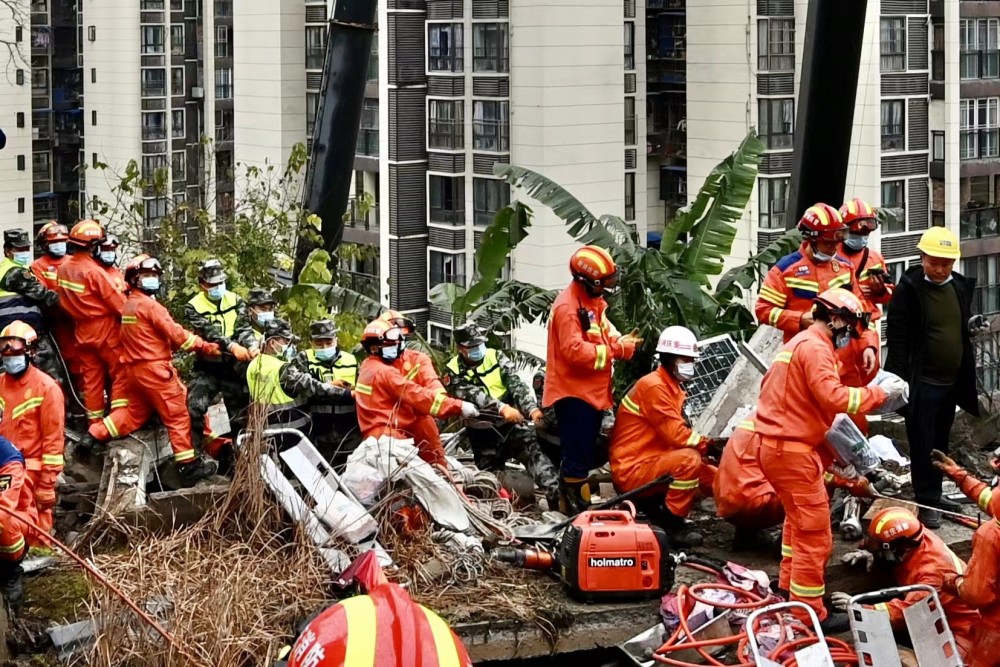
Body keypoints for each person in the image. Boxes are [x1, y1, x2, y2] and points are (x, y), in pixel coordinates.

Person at [755, 287, 895, 630]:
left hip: (777, 447)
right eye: (849, 326)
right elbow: (833, 397)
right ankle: (808, 613)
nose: (850, 335)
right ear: (835, 319)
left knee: (796, 525)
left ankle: (788, 590)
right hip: (791, 452)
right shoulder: (816, 348)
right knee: (815, 534)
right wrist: (880, 394)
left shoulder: (799, 344)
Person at [80, 255, 219, 483]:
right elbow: (176, 334)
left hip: (134, 372)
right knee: (177, 415)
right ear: (135, 279)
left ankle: (94, 435)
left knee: (132, 414)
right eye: (147, 276)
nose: (152, 279)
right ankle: (187, 465)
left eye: (154, 275)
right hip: (155, 370)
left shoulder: (129, 306)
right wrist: (205, 346)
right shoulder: (149, 306)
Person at [885, 226, 983, 528]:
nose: (939, 269)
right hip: (922, 382)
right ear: (922, 257)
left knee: (941, 440)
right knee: (922, 441)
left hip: (950, 381)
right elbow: (897, 336)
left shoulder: (958, 287)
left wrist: (969, 326)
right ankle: (925, 500)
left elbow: (954, 323)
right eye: (933, 262)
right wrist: (899, 383)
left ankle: (937, 493)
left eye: (946, 263)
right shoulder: (910, 290)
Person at [755, 203, 881, 431]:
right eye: (828, 242)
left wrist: (869, 346)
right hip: (809, 357)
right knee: (814, 422)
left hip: (846, 356)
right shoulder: (785, 270)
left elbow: (861, 312)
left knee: (855, 424)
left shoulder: (844, 267)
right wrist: (798, 319)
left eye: (837, 242)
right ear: (811, 238)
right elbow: (763, 309)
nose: (834, 248)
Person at [545, 245, 640, 513]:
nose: (608, 289)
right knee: (577, 458)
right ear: (585, 281)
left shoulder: (591, 302)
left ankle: (571, 504)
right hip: (573, 393)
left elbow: (602, 334)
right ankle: (577, 510)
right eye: (604, 284)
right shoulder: (567, 308)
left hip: (592, 393)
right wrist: (618, 350)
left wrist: (620, 341)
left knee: (584, 454)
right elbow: (575, 352)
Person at [608, 326, 718, 547]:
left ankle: (747, 528)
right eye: (684, 359)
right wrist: (710, 447)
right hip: (634, 469)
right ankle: (670, 525)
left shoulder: (673, 388)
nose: (689, 364)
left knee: (718, 478)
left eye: (691, 359)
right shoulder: (654, 387)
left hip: (654, 461)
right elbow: (677, 435)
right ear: (668, 359)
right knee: (689, 460)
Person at [834, 507, 979, 662]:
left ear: (897, 549)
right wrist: (871, 553)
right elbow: (884, 542)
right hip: (939, 612)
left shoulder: (932, 573)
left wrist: (858, 608)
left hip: (964, 633)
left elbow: (905, 614)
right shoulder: (915, 537)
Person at [714, 411, 874, 549]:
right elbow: (808, 472)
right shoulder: (800, 430)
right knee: (819, 487)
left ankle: (747, 536)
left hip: (728, 501)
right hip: (755, 504)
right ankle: (794, 544)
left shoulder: (772, 415)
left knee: (761, 474)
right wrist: (849, 483)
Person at [443, 322, 560, 509]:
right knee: (490, 485)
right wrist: (503, 409)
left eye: (479, 344)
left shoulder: (496, 356)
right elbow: (473, 395)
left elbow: (516, 384)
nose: (477, 349)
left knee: (538, 459)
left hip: (511, 428)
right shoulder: (452, 372)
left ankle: (557, 502)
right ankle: (505, 517)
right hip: (482, 435)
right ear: (461, 349)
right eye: (472, 346)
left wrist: (532, 410)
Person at [354, 319, 476, 465]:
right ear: (374, 348)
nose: (397, 345)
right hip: (390, 435)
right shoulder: (385, 372)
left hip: (403, 425)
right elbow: (414, 393)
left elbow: (431, 384)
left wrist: (444, 401)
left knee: (431, 443)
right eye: (391, 344)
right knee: (419, 477)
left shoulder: (368, 366)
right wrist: (458, 406)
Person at [56, 220, 128, 424]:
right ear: (92, 245)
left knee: (92, 381)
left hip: (81, 330)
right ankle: (117, 421)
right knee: (120, 374)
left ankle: (93, 424)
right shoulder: (94, 272)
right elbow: (119, 305)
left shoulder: (64, 269)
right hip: (104, 328)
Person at [0, 321, 65, 544]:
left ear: (31, 351)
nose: (9, 354)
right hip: (5, 466)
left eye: (15, 348)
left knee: (35, 527)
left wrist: (47, 484)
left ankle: (38, 554)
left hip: (33, 470)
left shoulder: (47, 389)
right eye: (4, 348)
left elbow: (53, 442)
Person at [246, 318, 352, 448]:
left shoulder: (253, 365)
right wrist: (347, 394)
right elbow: (311, 386)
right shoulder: (282, 368)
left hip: (266, 434)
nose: (291, 346)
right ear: (272, 343)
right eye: (287, 341)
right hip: (293, 436)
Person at [184, 259, 254, 453]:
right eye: (212, 284)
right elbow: (209, 331)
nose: (217, 287)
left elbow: (243, 328)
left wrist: (251, 345)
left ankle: (241, 460)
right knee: (193, 407)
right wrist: (232, 347)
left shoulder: (235, 300)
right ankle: (195, 456)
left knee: (241, 416)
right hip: (208, 367)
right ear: (202, 285)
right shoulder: (193, 306)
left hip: (234, 368)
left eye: (220, 282)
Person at [936, 453, 1000, 665]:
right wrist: (960, 477)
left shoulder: (990, 534)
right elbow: (990, 499)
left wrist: (953, 582)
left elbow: (978, 595)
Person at [0, 229, 61, 383]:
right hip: (21, 335)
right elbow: (46, 297)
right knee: (52, 377)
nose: (24, 252)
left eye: (26, 248)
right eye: (19, 249)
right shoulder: (14, 273)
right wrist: (77, 297)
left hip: (12, 335)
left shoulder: (10, 269)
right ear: (7, 250)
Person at [296, 319, 360, 465]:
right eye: (319, 343)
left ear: (336, 340)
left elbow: (361, 390)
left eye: (329, 342)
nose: (324, 346)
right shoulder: (303, 360)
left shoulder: (350, 360)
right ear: (311, 342)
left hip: (349, 433)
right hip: (318, 433)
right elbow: (305, 390)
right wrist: (331, 387)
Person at [30, 222, 78, 386]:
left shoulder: (74, 262)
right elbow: (43, 296)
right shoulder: (38, 266)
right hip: (57, 323)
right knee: (66, 361)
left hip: (80, 322)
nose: (59, 245)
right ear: (45, 244)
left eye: (62, 241)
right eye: (54, 242)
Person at [839, 198, 894, 310]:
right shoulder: (831, 257)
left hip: (868, 323)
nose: (862, 236)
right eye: (858, 228)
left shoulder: (875, 259)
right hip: (841, 322)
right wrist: (854, 293)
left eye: (867, 231)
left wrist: (881, 291)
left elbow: (889, 295)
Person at [0, 430, 31, 609]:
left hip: (17, 517)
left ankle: (11, 571)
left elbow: (3, 508)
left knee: (4, 526)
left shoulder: (8, 460)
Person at [235, 287, 278, 353]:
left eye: (270, 309)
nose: (267, 313)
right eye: (263, 309)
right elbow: (243, 335)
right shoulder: (243, 331)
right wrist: (254, 346)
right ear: (250, 311)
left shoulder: (277, 330)